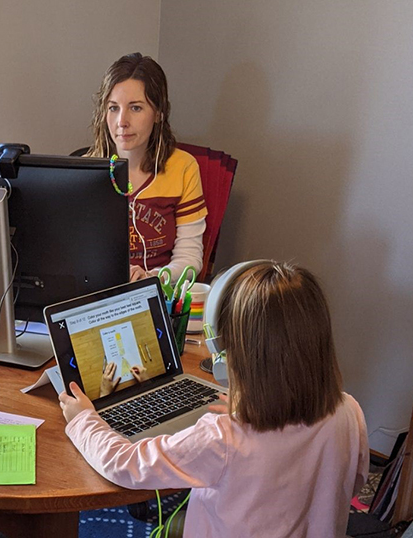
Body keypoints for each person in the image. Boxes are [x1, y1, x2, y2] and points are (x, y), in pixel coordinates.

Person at [58, 261, 369, 537]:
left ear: (231, 355)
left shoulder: (222, 438)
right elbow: (351, 483)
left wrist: (84, 418)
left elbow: (124, 464)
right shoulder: (349, 412)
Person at [86, 53, 207, 282]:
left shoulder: (183, 168)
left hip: (159, 291)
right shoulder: (86, 171)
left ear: (159, 113)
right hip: (102, 295)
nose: (122, 121)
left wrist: (152, 278)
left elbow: (190, 258)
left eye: (136, 108)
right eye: (113, 108)